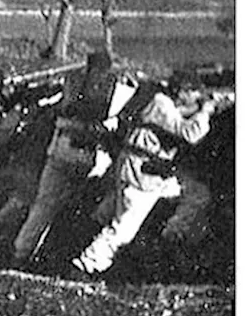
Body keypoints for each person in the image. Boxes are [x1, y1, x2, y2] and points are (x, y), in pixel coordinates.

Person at [70, 79, 230, 278]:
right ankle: (84, 266)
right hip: (142, 175)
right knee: (123, 230)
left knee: (197, 194)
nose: (197, 100)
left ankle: (170, 237)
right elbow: (190, 133)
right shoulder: (161, 104)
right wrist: (206, 110)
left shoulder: (163, 103)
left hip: (147, 171)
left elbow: (179, 118)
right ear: (183, 92)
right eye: (194, 95)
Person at [12, 51, 123, 264]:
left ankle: (21, 252)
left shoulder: (74, 80)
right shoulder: (109, 85)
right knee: (72, 208)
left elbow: (66, 108)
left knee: (44, 205)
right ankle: (55, 255)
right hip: (86, 151)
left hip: (62, 145)